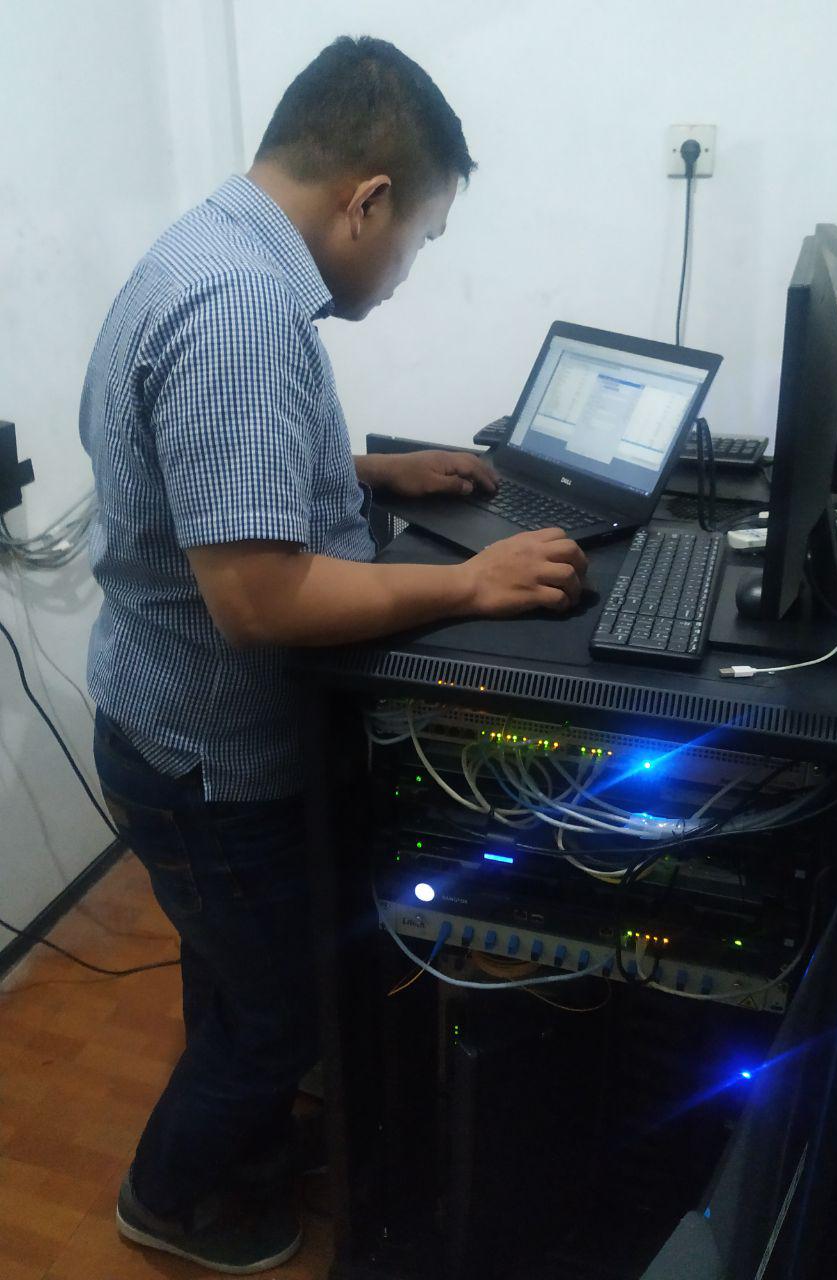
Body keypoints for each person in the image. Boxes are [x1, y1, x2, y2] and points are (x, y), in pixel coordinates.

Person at [81, 34, 586, 1274]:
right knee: (278, 1013)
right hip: (211, 756)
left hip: (162, 725)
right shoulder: (243, 309)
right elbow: (258, 596)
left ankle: (244, 1147)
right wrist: (469, 580)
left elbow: (204, 462)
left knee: (234, 978)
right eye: (416, 239)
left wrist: (371, 471)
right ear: (366, 199)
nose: (406, 272)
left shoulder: (209, 247)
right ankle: (166, 1193)